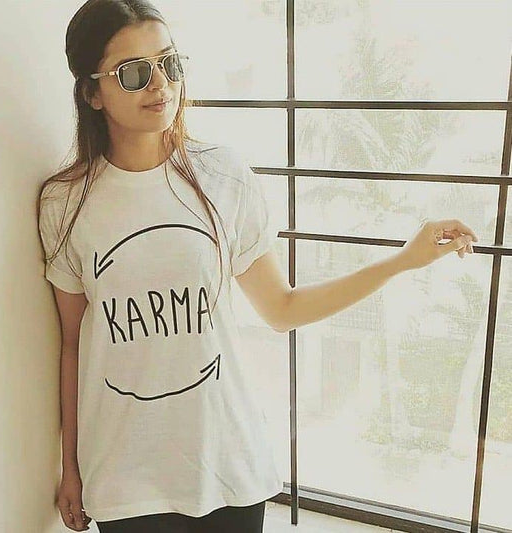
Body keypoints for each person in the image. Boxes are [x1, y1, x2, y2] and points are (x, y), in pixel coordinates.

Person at [37, 1, 478, 532]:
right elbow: (72, 344)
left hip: (228, 464)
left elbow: (282, 308)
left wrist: (403, 261)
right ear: (91, 93)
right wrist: (71, 468)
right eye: (133, 72)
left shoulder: (221, 176)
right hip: (126, 478)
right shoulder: (66, 203)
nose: (161, 84)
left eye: (169, 63)